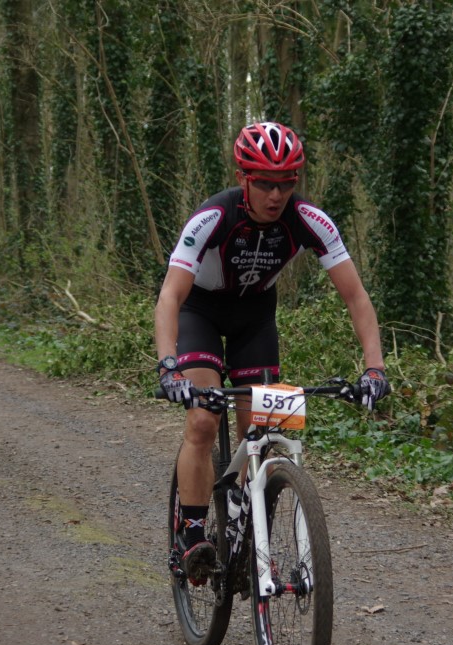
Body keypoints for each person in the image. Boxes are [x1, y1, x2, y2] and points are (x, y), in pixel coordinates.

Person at [153, 122, 390, 580]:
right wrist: (169, 368)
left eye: (286, 183)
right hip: (200, 312)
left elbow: (356, 297)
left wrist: (375, 368)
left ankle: (247, 529)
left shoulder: (308, 220)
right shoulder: (213, 217)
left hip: (255, 318)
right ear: (243, 178)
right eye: (264, 183)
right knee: (203, 419)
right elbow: (170, 297)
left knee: (260, 434)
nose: (276, 194)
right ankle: (193, 534)